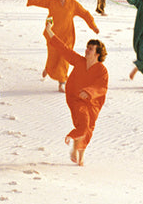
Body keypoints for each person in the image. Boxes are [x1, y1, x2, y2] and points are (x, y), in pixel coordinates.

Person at [44, 17, 108, 166]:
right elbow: (63, 49)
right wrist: (49, 31)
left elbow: (102, 87)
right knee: (84, 125)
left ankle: (81, 153)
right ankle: (74, 148)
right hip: (76, 99)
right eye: (87, 47)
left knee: (88, 128)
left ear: (97, 53)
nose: (87, 50)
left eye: (90, 49)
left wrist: (89, 92)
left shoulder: (102, 70)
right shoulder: (79, 61)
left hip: (92, 102)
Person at [16, 0, 99, 91]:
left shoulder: (73, 4)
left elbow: (85, 14)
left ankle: (62, 82)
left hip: (67, 37)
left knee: (64, 59)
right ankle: (49, 68)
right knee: (53, 57)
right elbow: (38, 0)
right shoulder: (52, 1)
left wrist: (93, 26)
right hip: (53, 35)